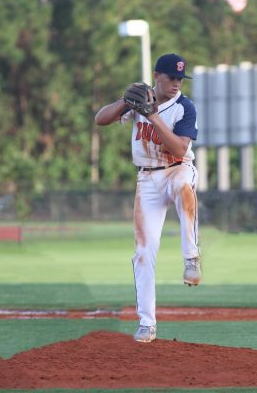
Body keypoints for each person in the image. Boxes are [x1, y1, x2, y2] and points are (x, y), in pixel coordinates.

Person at [94, 53, 201, 343]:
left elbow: (180, 150)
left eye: (181, 78)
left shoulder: (185, 107)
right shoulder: (141, 98)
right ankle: (146, 322)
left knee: (184, 189)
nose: (177, 83)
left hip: (177, 169)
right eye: (172, 77)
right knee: (142, 252)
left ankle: (191, 257)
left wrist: (152, 116)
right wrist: (123, 102)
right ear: (157, 75)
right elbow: (100, 119)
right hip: (147, 179)